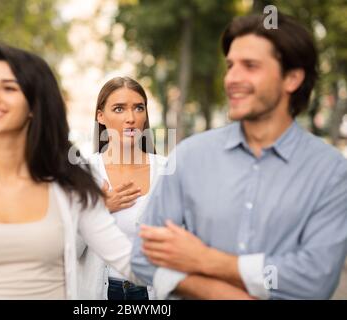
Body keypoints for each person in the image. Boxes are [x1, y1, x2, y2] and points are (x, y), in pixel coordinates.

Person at [132, 13, 347, 300]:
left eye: (250, 66)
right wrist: (224, 293)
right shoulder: (189, 156)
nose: (232, 78)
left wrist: (204, 259)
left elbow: (315, 278)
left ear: (292, 78)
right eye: (230, 66)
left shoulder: (331, 172)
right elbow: (142, 257)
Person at [0, 44, 139, 300]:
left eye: (8, 88)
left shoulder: (71, 186)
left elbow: (131, 263)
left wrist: (191, 264)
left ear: (34, 105)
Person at [78, 77, 167, 300]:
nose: (131, 118)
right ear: (100, 116)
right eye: (119, 109)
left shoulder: (166, 171)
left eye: (139, 108)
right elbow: (68, 250)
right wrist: (100, 209)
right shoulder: (84, 173)